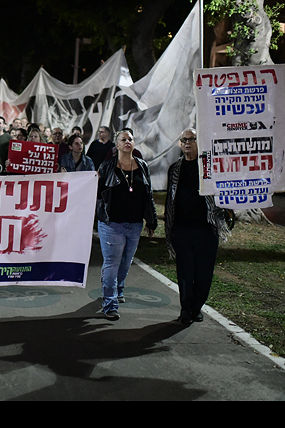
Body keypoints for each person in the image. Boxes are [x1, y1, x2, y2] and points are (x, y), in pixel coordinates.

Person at [165, 128, 230, 325]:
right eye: (184, 139)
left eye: (192, 139)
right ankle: (186, 309)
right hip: (182, 229)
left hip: (206, 229)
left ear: (199, 142)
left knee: (203, 273)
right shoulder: (175, 169)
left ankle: (197, 308)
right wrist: (169, 227)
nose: (187, 143)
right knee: (185, 272)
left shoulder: (209, 168)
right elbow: (170, 199)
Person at [96, 129, 158, 320]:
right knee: (112, 263)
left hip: (135, 224)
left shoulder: (142, 165)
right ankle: (110, 304)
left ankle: (118, 288)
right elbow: (96, 193)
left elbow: (148, 195)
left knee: (126, 262)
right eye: (123, 139)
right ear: (117, 145)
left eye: (130, 139)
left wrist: (152, 220)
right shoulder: (107, 167)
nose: (127, 142)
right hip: (111, 224)